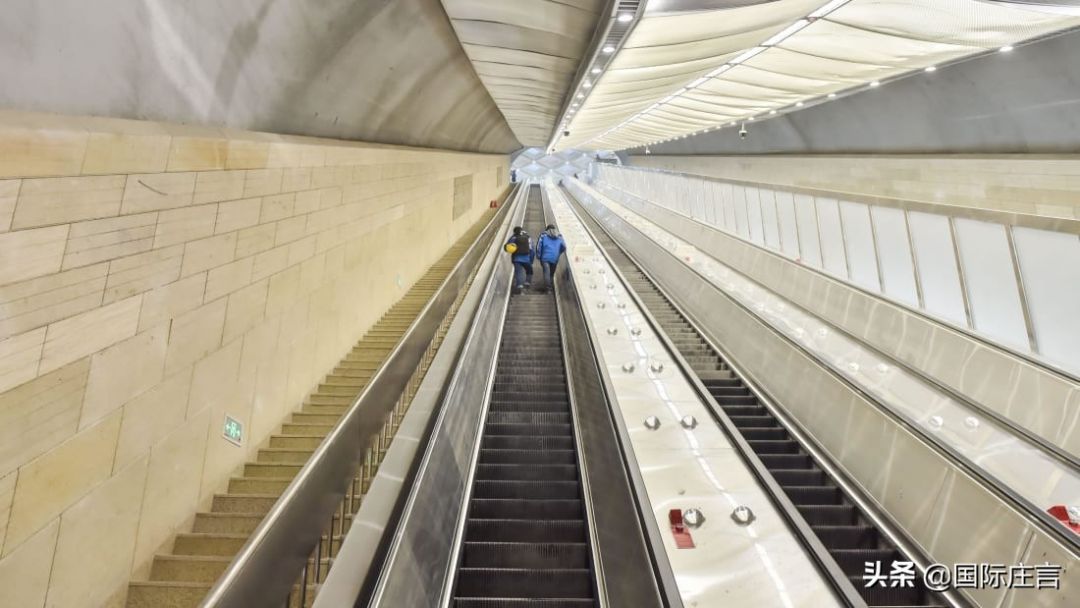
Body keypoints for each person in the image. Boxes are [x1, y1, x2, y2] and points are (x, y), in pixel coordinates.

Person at [535, 224, 566, 293]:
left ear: (547, 229)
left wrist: (538, 255)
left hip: (545, 257)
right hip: (554, 258)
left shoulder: (543, 235)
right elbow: (564, 247)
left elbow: (539, 246)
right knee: (551, 273)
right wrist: (558, 253)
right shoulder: (559, 236)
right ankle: (550, 286)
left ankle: (548, 289)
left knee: (546, 272)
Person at [506, 226, 534, 293]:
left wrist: (512, 236)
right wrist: (531, 260)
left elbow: (507, 246)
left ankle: (519, 286)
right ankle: (527, 283)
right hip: (526, 258)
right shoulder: (527, 237)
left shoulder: (514, 238)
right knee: (529, 270)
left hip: (516, 258)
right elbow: (531, 250)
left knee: (518, 272)